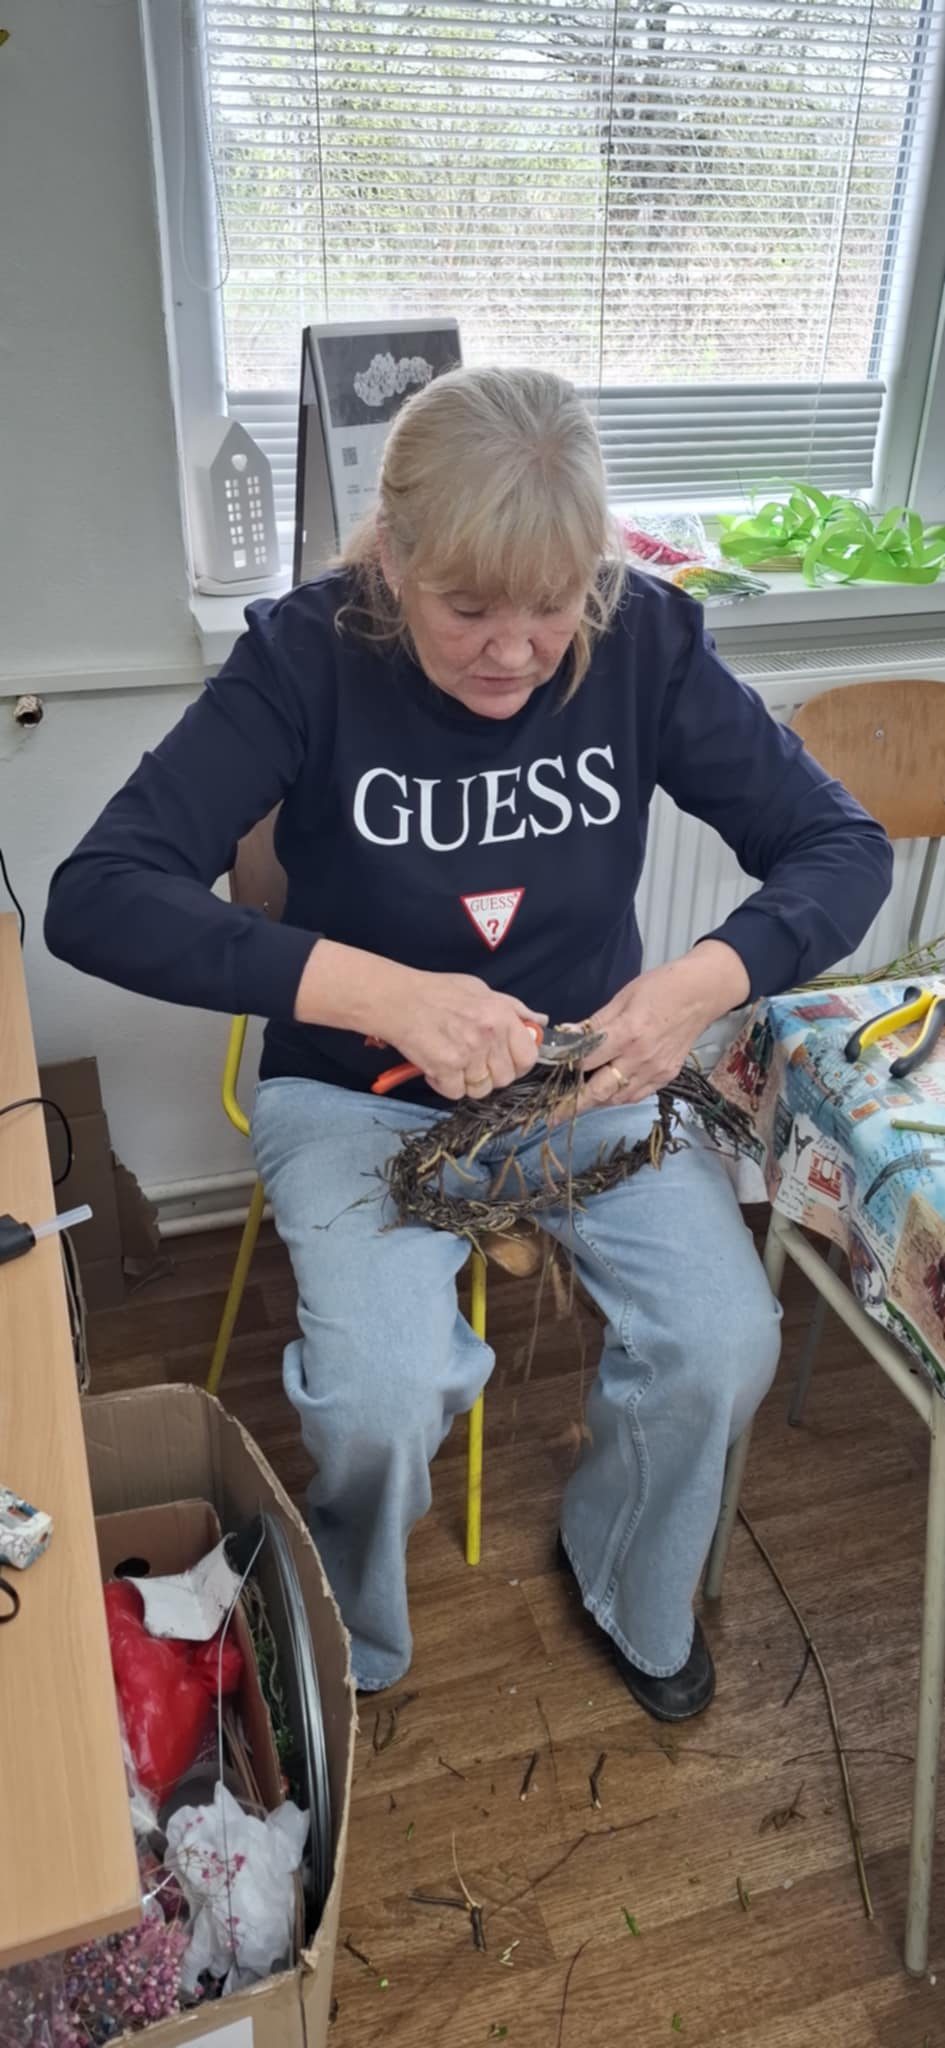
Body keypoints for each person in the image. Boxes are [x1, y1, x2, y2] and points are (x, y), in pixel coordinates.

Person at [45, 367, 892, 1719]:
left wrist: (695, 986)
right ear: (392, 557)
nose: (516, 651)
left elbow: (839, 847)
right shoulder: (306, 655)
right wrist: (379, 994)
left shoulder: (644, 640)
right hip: (358, 1094)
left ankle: (627, 1580)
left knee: (723, 1341)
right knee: (379, 1392)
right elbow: (98, 897)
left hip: (584, 1080)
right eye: (469, 610)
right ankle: (353, 1639)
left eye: (552, 605)